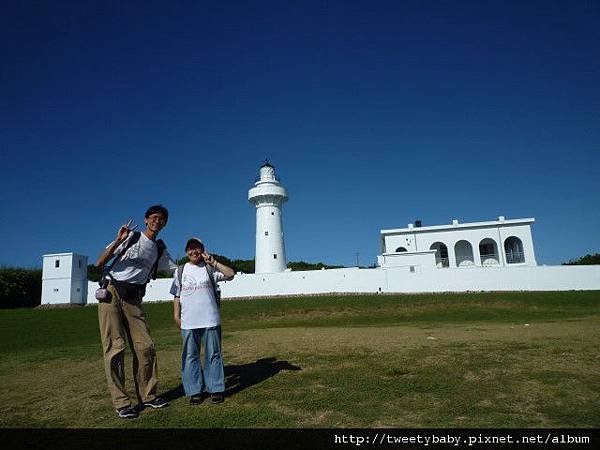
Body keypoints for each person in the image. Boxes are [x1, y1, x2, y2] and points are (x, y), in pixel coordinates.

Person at [96, 204, 177, 419]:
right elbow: (100, 261)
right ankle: (122, 403)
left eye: (161, 219)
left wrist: (205, 265)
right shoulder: (130, 237)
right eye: (153, 217)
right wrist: (118, 240)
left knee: (146, 347)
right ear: (146, 219)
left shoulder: (159, 249)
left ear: (164, 223)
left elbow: (177, 270)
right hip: (111, 292)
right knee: (115, 347)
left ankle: (148, 396)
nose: (156, 221)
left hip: (134, 299)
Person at [170, 237, 235, 405]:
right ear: (186, 251)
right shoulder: (180, 271)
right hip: (189, 320)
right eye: (190, 248)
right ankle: (195, 391)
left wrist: (214, 262)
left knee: (213, 354)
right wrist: (176, 316)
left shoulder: (209, 268)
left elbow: (230, 274)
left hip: (210, 318)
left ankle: (215, 389)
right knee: (190, 356)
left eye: (197, 248)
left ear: (203, 249)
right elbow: (177, 295)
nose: (194, 251)